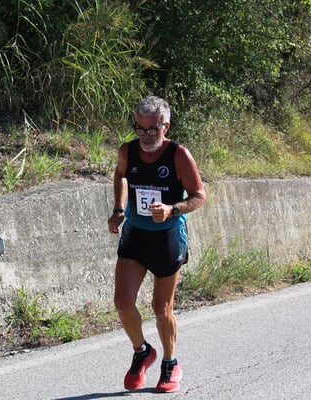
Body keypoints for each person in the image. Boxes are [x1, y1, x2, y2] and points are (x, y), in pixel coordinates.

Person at [107, 95, 206, 393]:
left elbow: (199, 196)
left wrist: (172, 209)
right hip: (136, 234)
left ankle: (170, 362)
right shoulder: (128, 150)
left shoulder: (179, 155)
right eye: (140, 128)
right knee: (122, 302)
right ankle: (142, 352)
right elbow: (121, 176)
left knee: (161, 308)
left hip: (167, 237)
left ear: (166, 126)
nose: (146, 135)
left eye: (153, 129)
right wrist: (119, 209)